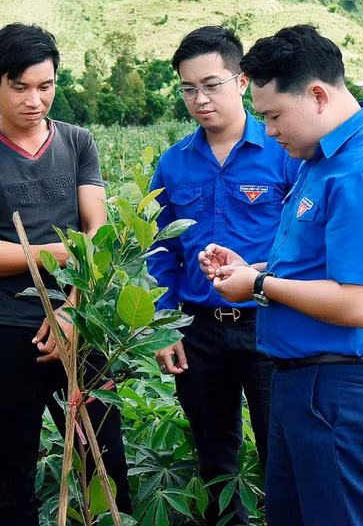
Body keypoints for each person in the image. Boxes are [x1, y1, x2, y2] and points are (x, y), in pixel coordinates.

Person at [201, 24, 363, 526]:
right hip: (304, 382)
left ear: (319, 96)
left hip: (344, 385)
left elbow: (360, 303)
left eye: (274, 115)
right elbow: (318, 265)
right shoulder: (320, 158)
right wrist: (253, 267)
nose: (268, 129)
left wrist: (258, 287)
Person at [0, 23, 132, 524]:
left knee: (107, 461)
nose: (35, 99)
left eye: (45, 86)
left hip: (82, 323)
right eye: (20, 87)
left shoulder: (77, 142)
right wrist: (57, 253)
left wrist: (72, 308)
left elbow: (97, 229)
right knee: (15, 473)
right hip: (8, 329)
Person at [147, 26, 300, 525]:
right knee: (215, 457)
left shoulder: (285, 153)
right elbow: (159, 250)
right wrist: (164, 321)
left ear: (240, 80)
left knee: (283, 451)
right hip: (197, 330)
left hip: (269, 322)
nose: (200, 99)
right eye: (188, 88)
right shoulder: (173, 163)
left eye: (211, 84)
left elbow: (304, 242)